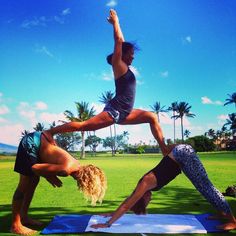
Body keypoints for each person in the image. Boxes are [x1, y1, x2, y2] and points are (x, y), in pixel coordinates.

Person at [43, 9, 169, 156]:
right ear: (123, 54)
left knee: (152, 117)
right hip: (114, 112)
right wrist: (116, 22)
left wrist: (117, 25)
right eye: (132, 54)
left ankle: (164, 150)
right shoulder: (119, 65)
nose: (133, 58)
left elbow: (121, 40)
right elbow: (119, 41)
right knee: (83, 126)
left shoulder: (125, 68)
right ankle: (50, 132)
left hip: (126, 113)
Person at [91, 144, 236, 231]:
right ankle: (221, 212)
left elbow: (127, 205)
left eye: (146, 201)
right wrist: (111, 213)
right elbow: (127, 205)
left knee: (206, 187)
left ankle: (232, 221)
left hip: (183, 155)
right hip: (180, 156)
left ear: (143, 197)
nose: (150, 200)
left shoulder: (145, 184)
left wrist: (108, 224)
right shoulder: (145, 186)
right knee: (203, 187)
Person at [11, 131, 107, 235]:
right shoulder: (66, 170)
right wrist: (49, 176)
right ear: (85, 180)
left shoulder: (76, 165)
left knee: (34, 180)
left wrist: (50, 175)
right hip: (31, 143)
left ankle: (24, 217)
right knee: (25, 183)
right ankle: (15, 225)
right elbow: (35, 168)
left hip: (38, 142)